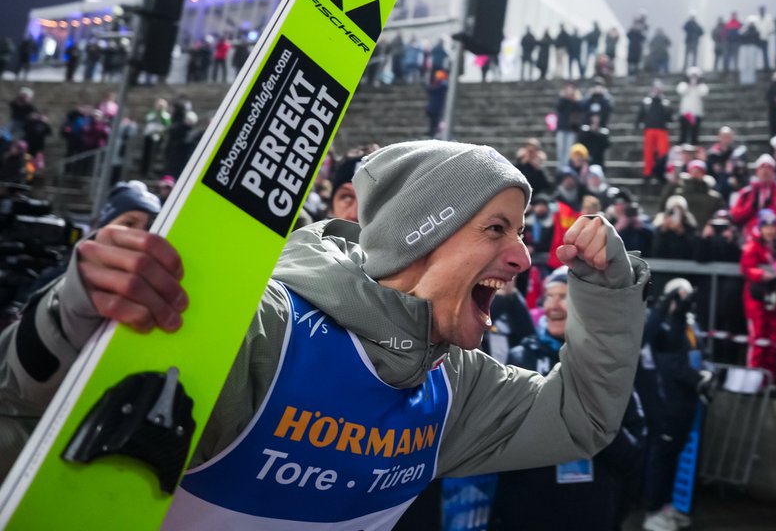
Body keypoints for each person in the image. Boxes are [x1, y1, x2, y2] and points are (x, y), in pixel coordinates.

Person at [0, 141, 650, 528]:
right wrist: (79, 311)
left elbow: (581, 420)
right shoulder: (268, 328)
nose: (523, 259)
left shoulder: (456, 381)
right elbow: (25, 413)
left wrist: (605, 294)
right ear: (419, 238)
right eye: (496, 229)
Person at [490, 268, 645, 531]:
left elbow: (632, 454)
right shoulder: (522, 360)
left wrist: (594, 420)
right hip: (529, 510)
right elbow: (501, 436)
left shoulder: (610, 365)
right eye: (549, 296)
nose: (553, 306)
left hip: (592, 512)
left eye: (564, 296)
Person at [639, 278, 711, 531]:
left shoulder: (688, 324)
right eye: (678, 297)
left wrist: (706, 374)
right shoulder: (657, 324)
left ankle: (666, 505)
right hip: (664, 401)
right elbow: (668, 361)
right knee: (661, 457)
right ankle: (653, 509)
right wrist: (697, 378)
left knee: (673, 456)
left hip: (685, 401)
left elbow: (699, 354)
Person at [740, 209, 776, 380]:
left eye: (773, 226)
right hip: (756, 299)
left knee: (773, 340)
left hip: (775, 298)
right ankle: (753, 381)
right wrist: (763, 274)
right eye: (766, 227)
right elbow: (746, 269)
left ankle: (769, 381)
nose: (770, 230)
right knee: (758, 339)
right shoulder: (752, 246)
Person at [635, 81, 672, 181]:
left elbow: (669, 117)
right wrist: (637, 124)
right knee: (648, 152)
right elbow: (641, 114)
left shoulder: (665, 102)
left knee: (663, 152)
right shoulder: (646, 101)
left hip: (662, 130)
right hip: (649, 129)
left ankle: (660, 171)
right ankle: (648, 172)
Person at [676, 67, 708, 145]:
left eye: (695, 76)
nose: (693, 78)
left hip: (696, 114)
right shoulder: (683, 85)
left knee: (695, 134)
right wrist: (689, 85)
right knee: (683, 134)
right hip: (685, 113)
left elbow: (703, 93)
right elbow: (681, 91)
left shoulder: (702, 86)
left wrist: (696, 85)